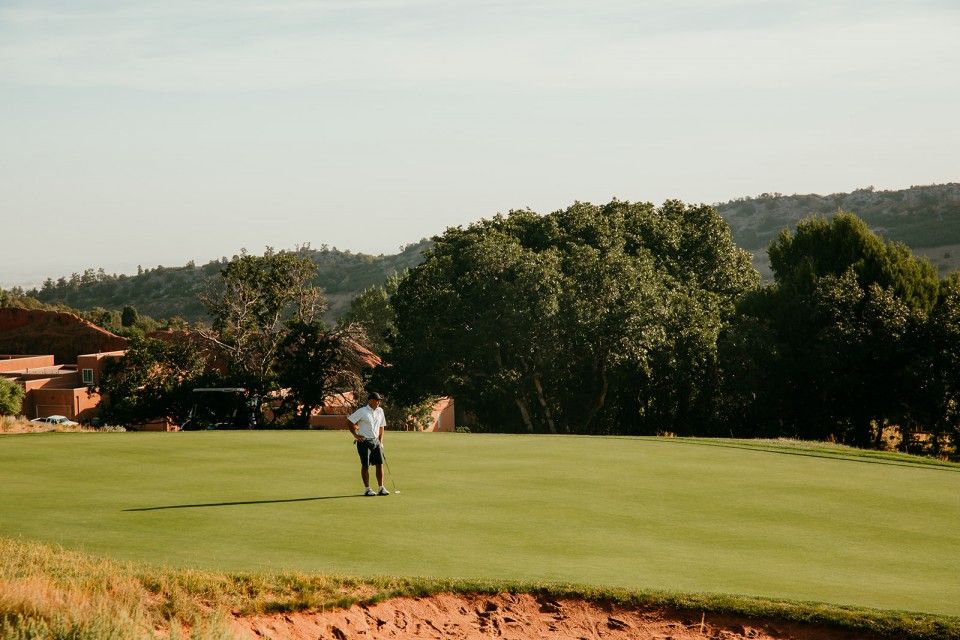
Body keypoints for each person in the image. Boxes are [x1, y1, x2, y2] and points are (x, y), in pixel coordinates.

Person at [347, 392, 389, 496]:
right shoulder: (362, 411)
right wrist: (355, 435)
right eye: (376, 400)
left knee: (380, 464)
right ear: (370, 401)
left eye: (379, 400)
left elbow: (381, 426)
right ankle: (367, 489)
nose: (378, 402)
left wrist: (381, 441)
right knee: (365, 465)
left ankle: (381, 488)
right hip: (364, 442)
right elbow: (350, 421)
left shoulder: (380, 411)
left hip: (376, 441)